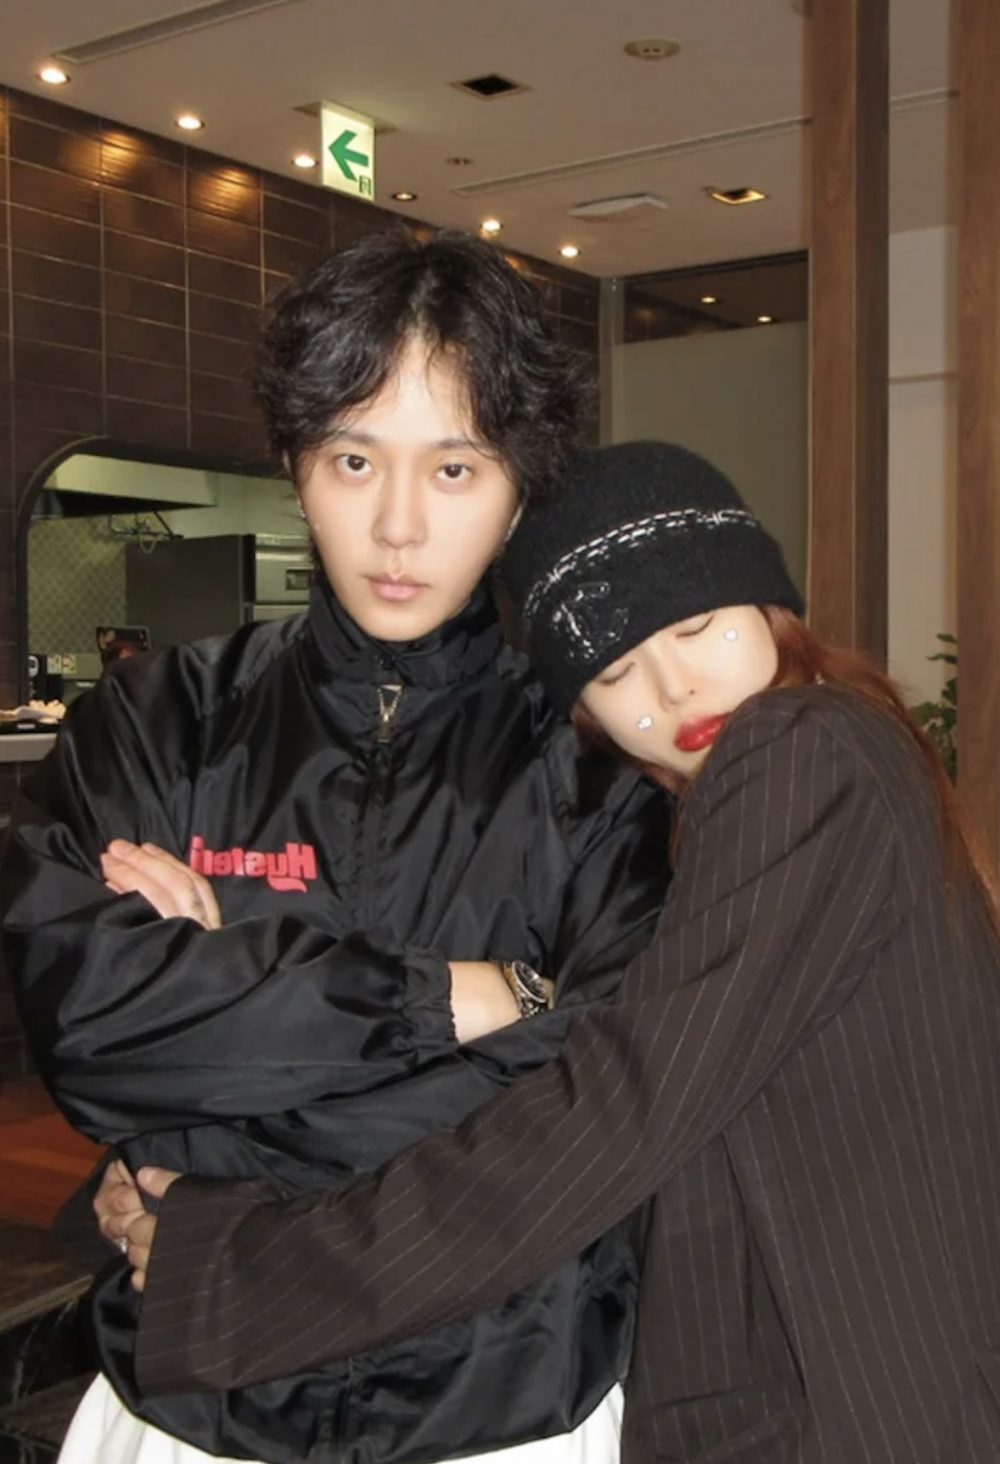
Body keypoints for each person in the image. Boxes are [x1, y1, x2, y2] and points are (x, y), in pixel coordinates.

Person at [110, 439, 1000, 1462]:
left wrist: (248, 1271)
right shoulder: (799, 787)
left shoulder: (800, 750)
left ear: (769, 607)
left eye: (697, 625)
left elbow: (617, 1106)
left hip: (854, 1411)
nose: (673, 688)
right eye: (615, 672)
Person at [0, 241, 671, 1464]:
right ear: (296, 464)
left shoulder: (602, 760)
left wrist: (222, 1074)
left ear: (519, 485)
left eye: (454, 467)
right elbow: (92, 1036)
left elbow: (593, 1111)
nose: (398, 525)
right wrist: (463, 998)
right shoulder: (156, 720)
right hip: (194, 1407)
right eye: (355, 459)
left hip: (508, 1409)